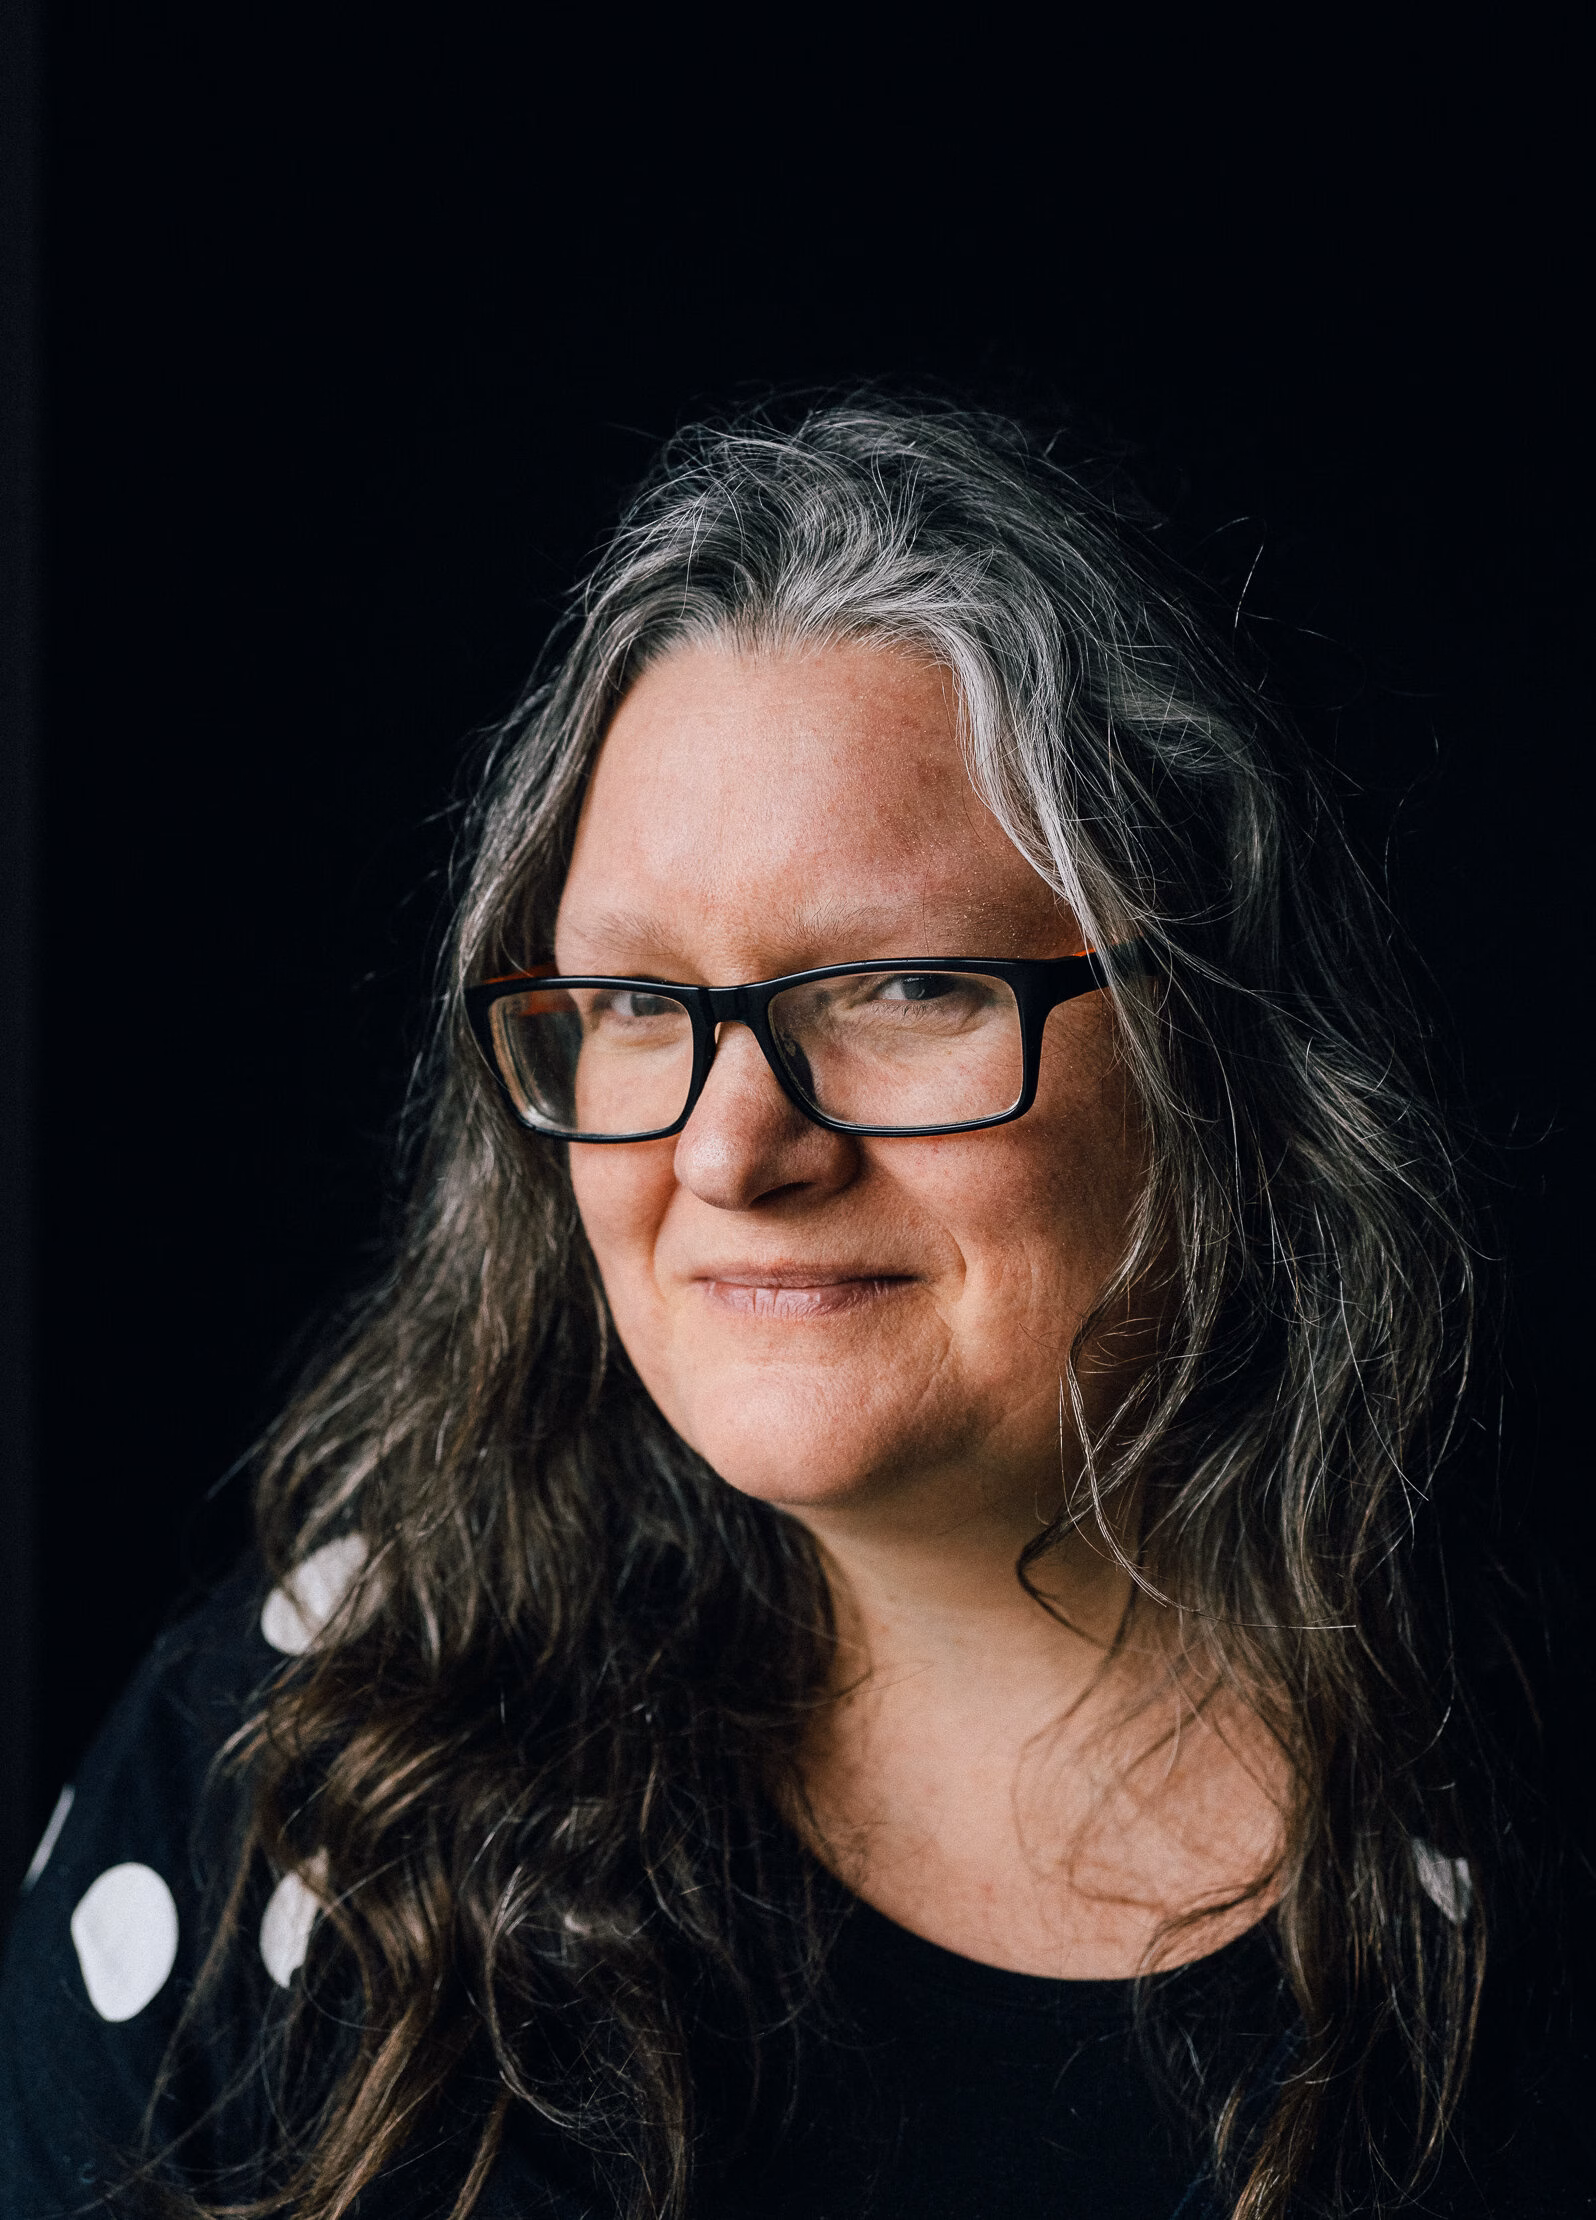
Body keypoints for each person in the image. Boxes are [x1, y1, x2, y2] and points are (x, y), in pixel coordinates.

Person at [1, 402, 1583, 2219]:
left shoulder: (1543, 1813)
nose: (731, 1151)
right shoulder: (288, 1777)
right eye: (637, 1001)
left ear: (1221, 1044)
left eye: (902, 987)